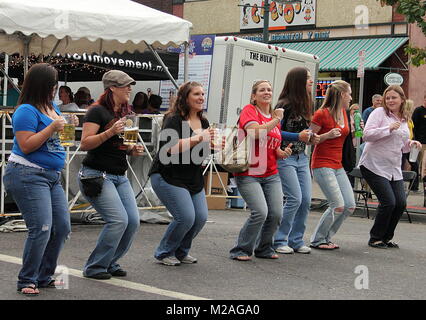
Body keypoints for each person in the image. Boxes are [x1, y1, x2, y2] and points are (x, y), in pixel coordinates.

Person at [3, 63, 73, 295]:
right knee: (42, 228)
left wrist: (66, 126)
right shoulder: (26, 110)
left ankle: (44, 275)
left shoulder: (52, 106)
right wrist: (52, 128)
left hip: (51, 175)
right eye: (53, 84)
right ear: (45, 85)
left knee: (61, 227)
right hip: (27, 173)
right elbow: (26, 145)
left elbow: (58, 137)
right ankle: (27, 280)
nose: (56, 88)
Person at [78, 70, 144, 279]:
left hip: (119, 175)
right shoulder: (96, 111)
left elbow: (118, 146)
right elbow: (85, 143)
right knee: (118, 221)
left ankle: (110, 261)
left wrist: (132, 150)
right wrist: (110, 132)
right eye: (125, 85)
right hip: (96, 174)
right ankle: (95, 266)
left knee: (132, 221)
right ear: (112, 88)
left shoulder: (123, 113)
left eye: (130, 85)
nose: (130, 89)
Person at [148, 81, 213, 266]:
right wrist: (200, 137)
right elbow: (169, 149)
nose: (201, 97)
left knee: (200, 217)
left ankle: (181, 251)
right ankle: (164, 252)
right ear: (185, 98)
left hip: (191, 176)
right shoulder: (174, 119)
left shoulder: (204, 122)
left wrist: (214, 147)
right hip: (168, 174)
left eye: (202, 94)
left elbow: (200, 154)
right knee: (185, 217)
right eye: (196, 94)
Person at [229, 80, 292, 261]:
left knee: (276, 214)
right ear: (254, 96)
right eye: (262, 90)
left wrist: (282, 152)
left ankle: (264, 248)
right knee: (260, 212)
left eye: (269, 89)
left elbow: (273, 147)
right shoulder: (250, 110)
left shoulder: (273, 118)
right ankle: (241, 249)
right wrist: (277, 119)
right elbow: (254, 133)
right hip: (249, 172)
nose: (267, 92)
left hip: (271, 173)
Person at [359, 85, 421, 249]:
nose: (390, 101)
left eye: (394, 97)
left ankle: (386, 237)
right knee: (388, 202)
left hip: (393, 167)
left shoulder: (404, 117)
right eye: (388, 98)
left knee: (400, 203)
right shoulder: (379, 113)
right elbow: (366, 135)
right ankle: (375, 238)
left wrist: (412, 143)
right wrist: (387, 128)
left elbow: (402, 145)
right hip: (373, 164)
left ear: (402, 99)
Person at [273, 67, 320, 255]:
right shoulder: (284, 104)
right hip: (286, 157)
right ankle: (279, 239)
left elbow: (305, 133)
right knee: (294, 198)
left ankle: (296, 239)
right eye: (307, 78)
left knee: (306, 200)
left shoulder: (308, 103)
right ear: (298, 81)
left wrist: (312, 138)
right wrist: (297, 136)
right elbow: (274, 132)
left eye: (311, 78)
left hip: (302, 158)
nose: (311, 80)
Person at [309, 80, 356, 250]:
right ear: (342, 95)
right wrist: (326, 135)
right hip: (322, 164)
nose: (351, 97)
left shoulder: (344, 112)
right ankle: (318, 239)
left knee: (349, 206)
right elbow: (308, 139)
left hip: (338, 164)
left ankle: (327, 237)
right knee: (337, 205)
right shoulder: (321, 114)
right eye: (349, 93)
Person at [412, 92, 426, 190]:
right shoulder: (418, 110)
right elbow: (414, 126)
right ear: (424, 99)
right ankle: (414, 186)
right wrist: (415, 139)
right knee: (417, 164)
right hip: (420, 142)